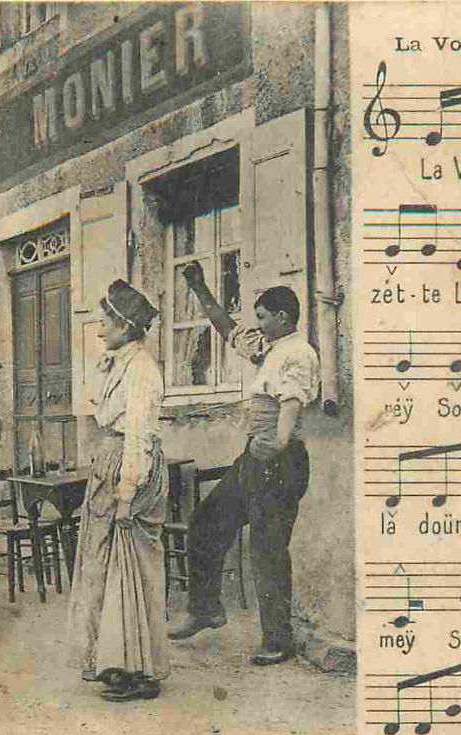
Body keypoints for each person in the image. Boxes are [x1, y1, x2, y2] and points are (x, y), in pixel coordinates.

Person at [167, 262, 320, 666]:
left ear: (282, 318)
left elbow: (292, 403)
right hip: (255, 456)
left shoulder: (299, 354)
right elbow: (225, 327)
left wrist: (278, 443)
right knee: (207, 521)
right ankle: (206, 608)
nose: (257, 324)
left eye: (263, 317)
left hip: (279, 459)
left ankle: (278, 640)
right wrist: (199, 289)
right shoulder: (267, 347)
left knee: (267, 550)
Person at [65, 279, 169, 702]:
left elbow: (139, 434)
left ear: (126, 327)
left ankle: (141, 671)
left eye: (105, 322)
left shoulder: (142, 368)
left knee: (132, 566)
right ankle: (117, 661)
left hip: (131, 470)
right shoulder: (116, 363)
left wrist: (127, 493)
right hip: (109, 463)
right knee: (106, 565)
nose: (100, 328)